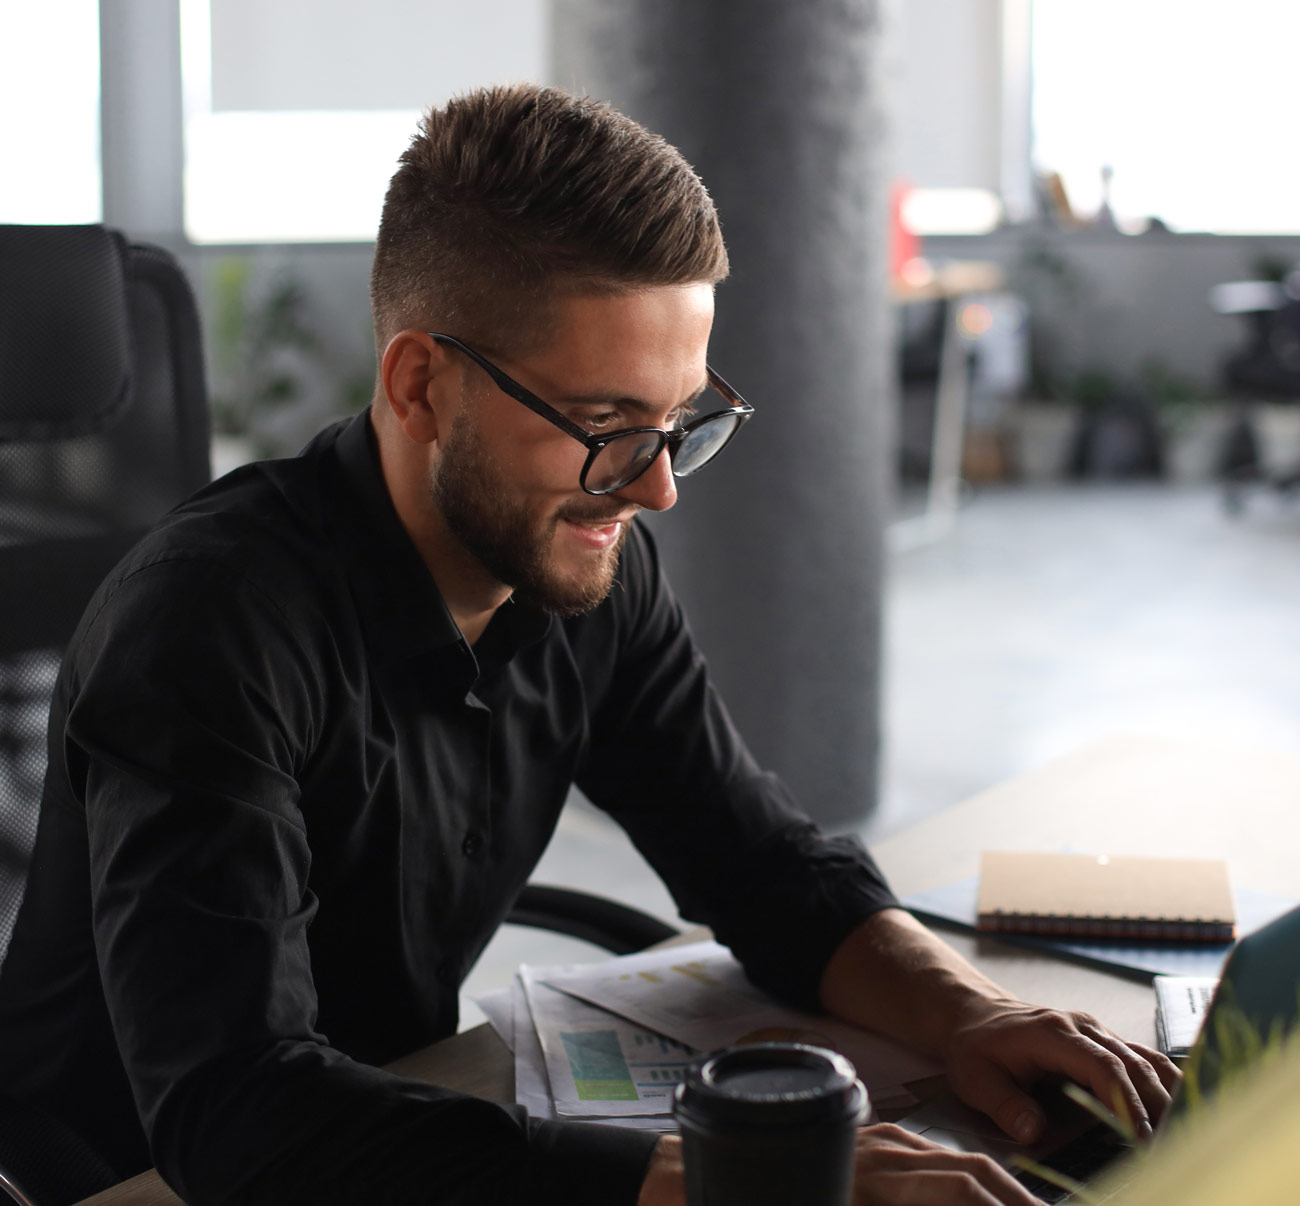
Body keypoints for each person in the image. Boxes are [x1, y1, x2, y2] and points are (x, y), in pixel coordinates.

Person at [0, 85, 1176, 1206]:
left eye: (680, 424)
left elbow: (757, 862)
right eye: (606, 427)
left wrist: (969, 1015)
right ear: (420, 386)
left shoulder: (581, 562)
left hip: (404, 1135)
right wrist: (729, 1180)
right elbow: (237, 1119)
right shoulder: (209, 629)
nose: (657, 489)